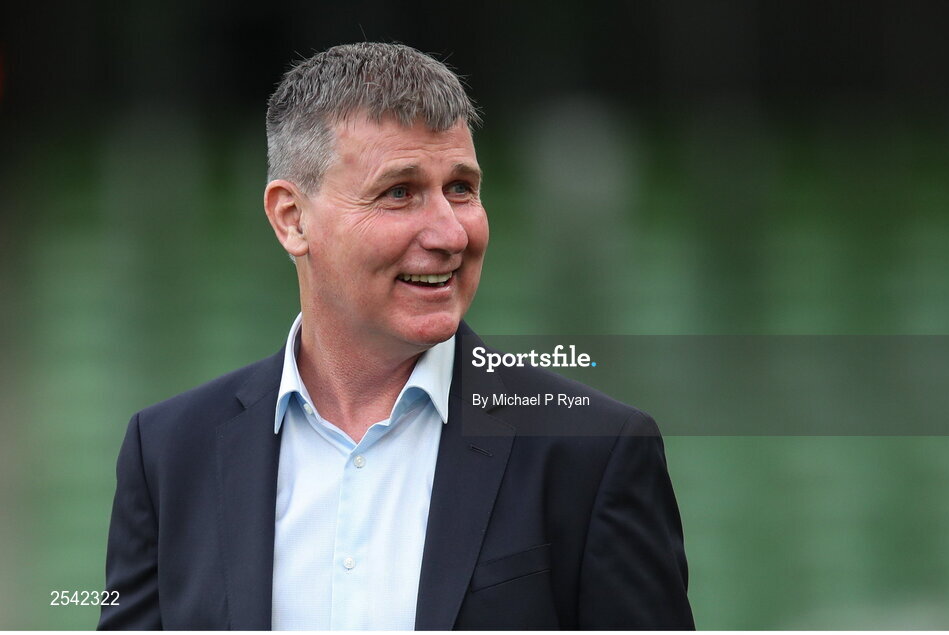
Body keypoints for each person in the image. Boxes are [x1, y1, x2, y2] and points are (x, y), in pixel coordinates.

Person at [99, 42, 695, 630]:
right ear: (291, 218)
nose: (450, 234)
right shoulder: (168, 453)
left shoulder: (594, 451)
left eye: (461, 188)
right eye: (399, 193)